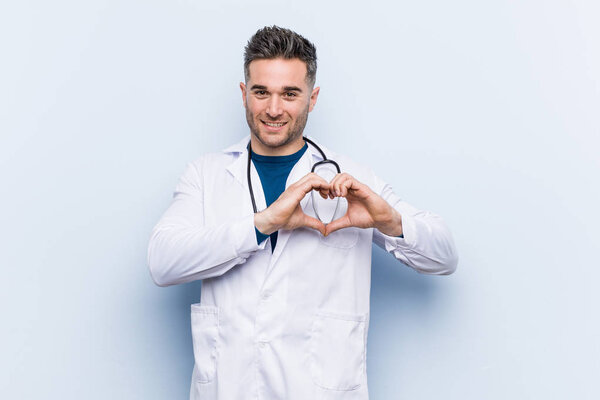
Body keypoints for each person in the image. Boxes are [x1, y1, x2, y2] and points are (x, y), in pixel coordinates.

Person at [147, 25, 458, 400]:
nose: (273, 109)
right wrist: (261, 226)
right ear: (245, 95)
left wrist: (389, 221)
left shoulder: (351, 179)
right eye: (261, 92)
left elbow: (444, 256)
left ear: (312, 98)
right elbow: (162, 262)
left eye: (289, 94)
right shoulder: (207, 175)